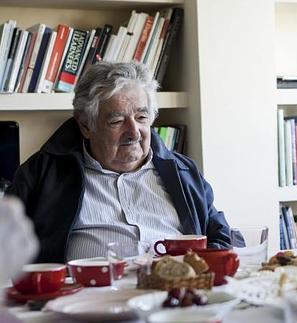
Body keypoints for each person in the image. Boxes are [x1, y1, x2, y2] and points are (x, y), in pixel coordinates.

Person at [7, 62, 232, 263]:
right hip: (86, 302)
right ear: (85, 125)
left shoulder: (182, 171)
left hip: (175, 298)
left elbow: (222, 235)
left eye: (142, 118)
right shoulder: (41, 175)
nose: (133, 132)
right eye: (116, 120)